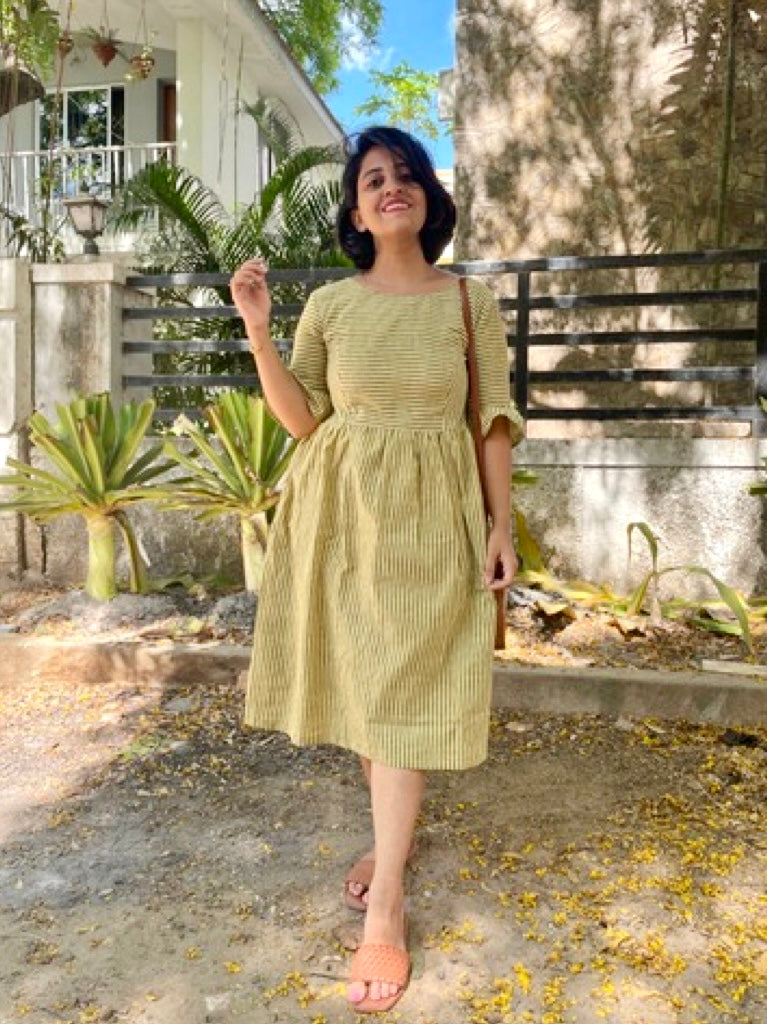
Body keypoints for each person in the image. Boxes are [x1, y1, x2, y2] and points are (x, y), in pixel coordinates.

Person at [230, 125, 524, 1014]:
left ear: (427, 197)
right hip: (340, 517)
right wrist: (258, 333)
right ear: (356, 213)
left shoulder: (468, 303)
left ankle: (387, 898)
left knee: (403, 689)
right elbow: (303, 421)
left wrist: (501, 525)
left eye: (403, 175)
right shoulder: (329, 304)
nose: (389, 186)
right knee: (369, 686)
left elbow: (491, 420)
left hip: (432, 518)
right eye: (371, 180)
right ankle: (392, 840)